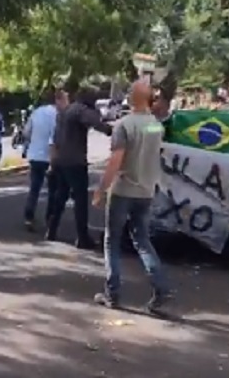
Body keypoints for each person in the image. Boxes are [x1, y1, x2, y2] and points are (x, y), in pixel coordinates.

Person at [91, 80, 172, 311]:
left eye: (129, 92)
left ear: (133, 98)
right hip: (146, 191)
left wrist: (101, 189)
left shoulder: (123, 125)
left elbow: (115, 162)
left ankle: (113, 294)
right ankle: (161, 289)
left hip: (123, 190)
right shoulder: (156, 126)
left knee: (112, 241)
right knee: (142, 241)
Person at [47, 90, 113, 249]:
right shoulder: (80, 110)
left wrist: (53, 161)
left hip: (61, 160)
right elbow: (96, 123)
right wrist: (110, 130)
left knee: (60, 196)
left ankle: (51, 230)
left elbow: (56, 138)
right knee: (80, 200)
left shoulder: (64, 112)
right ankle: (82, 238)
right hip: (75, 161)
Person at [21, 90, 66, 231]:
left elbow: (26, 132)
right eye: (65, 100)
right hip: (51, 157)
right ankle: (49, 219)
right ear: (57, 100)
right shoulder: (59, 115)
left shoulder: (36, 112)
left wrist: (34, 141)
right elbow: (56, 138)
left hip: (35, 155)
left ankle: (29, 216)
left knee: (34, 188)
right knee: (53, 190)